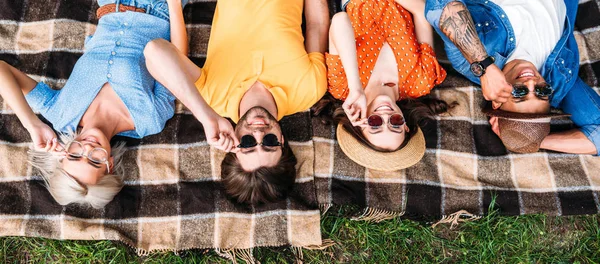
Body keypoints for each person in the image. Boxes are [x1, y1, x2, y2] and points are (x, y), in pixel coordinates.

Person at [0, 0, 188, 208]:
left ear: (64, 154)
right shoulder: (149, 119)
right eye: (94, 160)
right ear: (109, 164)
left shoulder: (60, 114)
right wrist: (174, 4)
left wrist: (32, 124)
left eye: (75, 156)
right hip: (160, 7)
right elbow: (177, 62)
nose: (87, 148)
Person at [143, 0, 329, 204]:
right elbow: (316, 24)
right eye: (269, 143)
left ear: (235, 144)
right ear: (282, 142)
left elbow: (154, 50)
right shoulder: (310, 89)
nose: (258, 133)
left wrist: (206, 117)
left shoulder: (212, 99)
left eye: (248, 143)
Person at [425, 0, 600, 155]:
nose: (532, 82)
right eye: (542, 91)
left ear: (497, 102)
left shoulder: (469, 60)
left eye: (520, 92)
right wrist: (531, 141)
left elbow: (439, 6)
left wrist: (483, 63)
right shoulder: (560, 83)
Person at [313, 0, 448, 171]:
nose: (386, 116)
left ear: (360, 125)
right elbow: (421, 12)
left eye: (375, 123)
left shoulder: (343, 87)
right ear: (405, 125)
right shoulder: (420, 82)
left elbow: (340, 20)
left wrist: (356, 88)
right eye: (395, 123)